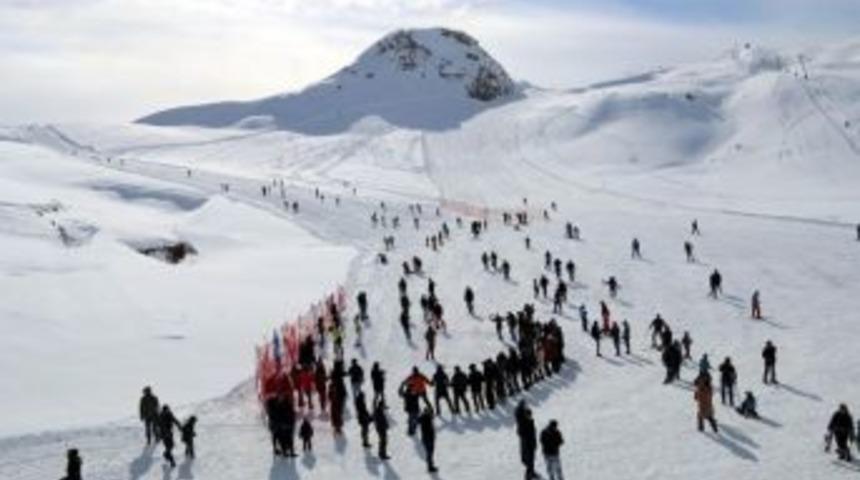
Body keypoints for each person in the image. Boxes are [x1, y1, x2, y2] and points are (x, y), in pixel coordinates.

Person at [518, 407, 538, 480]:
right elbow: (520, 433)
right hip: (526, 446)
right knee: (529, 462)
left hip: (531, 444)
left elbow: (533, 433)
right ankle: (528, 476)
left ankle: (532, 473)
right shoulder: (522, 424)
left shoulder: (531, 422)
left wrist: (535, 443)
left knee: (532, 461)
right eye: (528, 415)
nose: (530, 416)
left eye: (530, 415)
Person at [418, 407, 438, 472]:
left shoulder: (425, 418)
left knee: (429, 453)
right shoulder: (426, 418)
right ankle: (430, 467)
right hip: (428, 438)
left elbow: (418, 420)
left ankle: (430, 464)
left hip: (427, 438)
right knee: (430, 453)